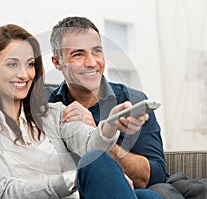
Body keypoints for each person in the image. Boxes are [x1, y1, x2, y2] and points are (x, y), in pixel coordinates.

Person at [0, 24, 163, 199]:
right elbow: (4, 191)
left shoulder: (53, 111)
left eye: (30, 64)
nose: (24, 74)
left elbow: (90, 141)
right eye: (12, 64)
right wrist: (75, 179)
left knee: (148, 196)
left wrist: (111, 124)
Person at [46, 16, 167, 189]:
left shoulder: (133, 101)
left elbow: (155, 177)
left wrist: (99, 135)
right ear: (57, 62)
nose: (92, 62)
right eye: (78, 54)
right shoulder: (44, 104)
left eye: (97, 51)